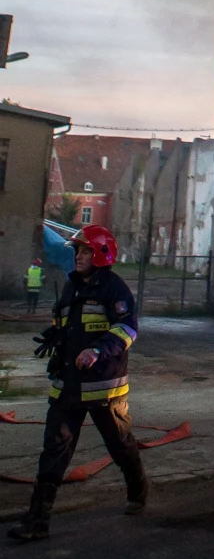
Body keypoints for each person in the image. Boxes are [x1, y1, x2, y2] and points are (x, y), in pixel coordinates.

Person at [8, 225, 148, 542]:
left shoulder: (115, 289)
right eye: (77, 251)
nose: (79, 257)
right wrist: (56, 335)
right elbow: (66, 323)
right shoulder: (71, 286)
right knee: (53, 452)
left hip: (104, 388)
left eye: (85, 251)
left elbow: (127, 329)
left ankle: (138, 489)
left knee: (120, 445)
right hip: (68, 385)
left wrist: (97, 350)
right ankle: (37, 521)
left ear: (101, 254)